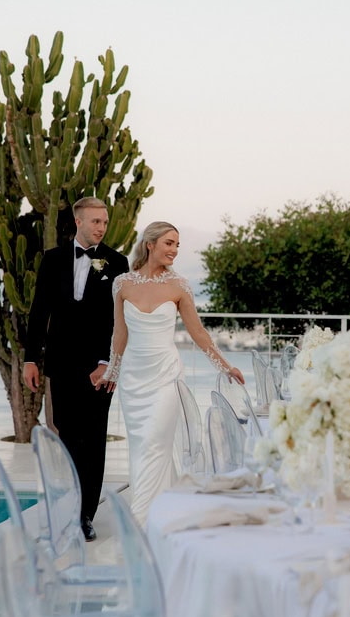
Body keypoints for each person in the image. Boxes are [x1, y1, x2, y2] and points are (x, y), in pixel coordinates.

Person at [100, 221, 244, 525]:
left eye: (177, 245)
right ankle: (161, 510)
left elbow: (198, 333)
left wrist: (225, 365)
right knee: (141, 447)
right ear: (150, 244)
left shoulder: (179, 285)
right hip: (133, 380)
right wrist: (112, 370)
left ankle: (140, 519)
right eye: (169, 243)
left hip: (166, 375)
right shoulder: (122, 284)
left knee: (155, 441)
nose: (175, 250)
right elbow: (119, 334)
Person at [24, 197, 129, 541]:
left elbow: (120, 320)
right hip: (61, 364)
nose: (101, 227)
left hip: (99, 369)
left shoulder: (117, 262)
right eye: (95, 221)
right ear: (78, 221)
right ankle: (68, 507)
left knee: (94, 439)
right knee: (67, 436)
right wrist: (29, 358)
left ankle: (85, 515)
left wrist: (108, 364)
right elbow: (39, 311)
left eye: (104, 221)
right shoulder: (53, 260)